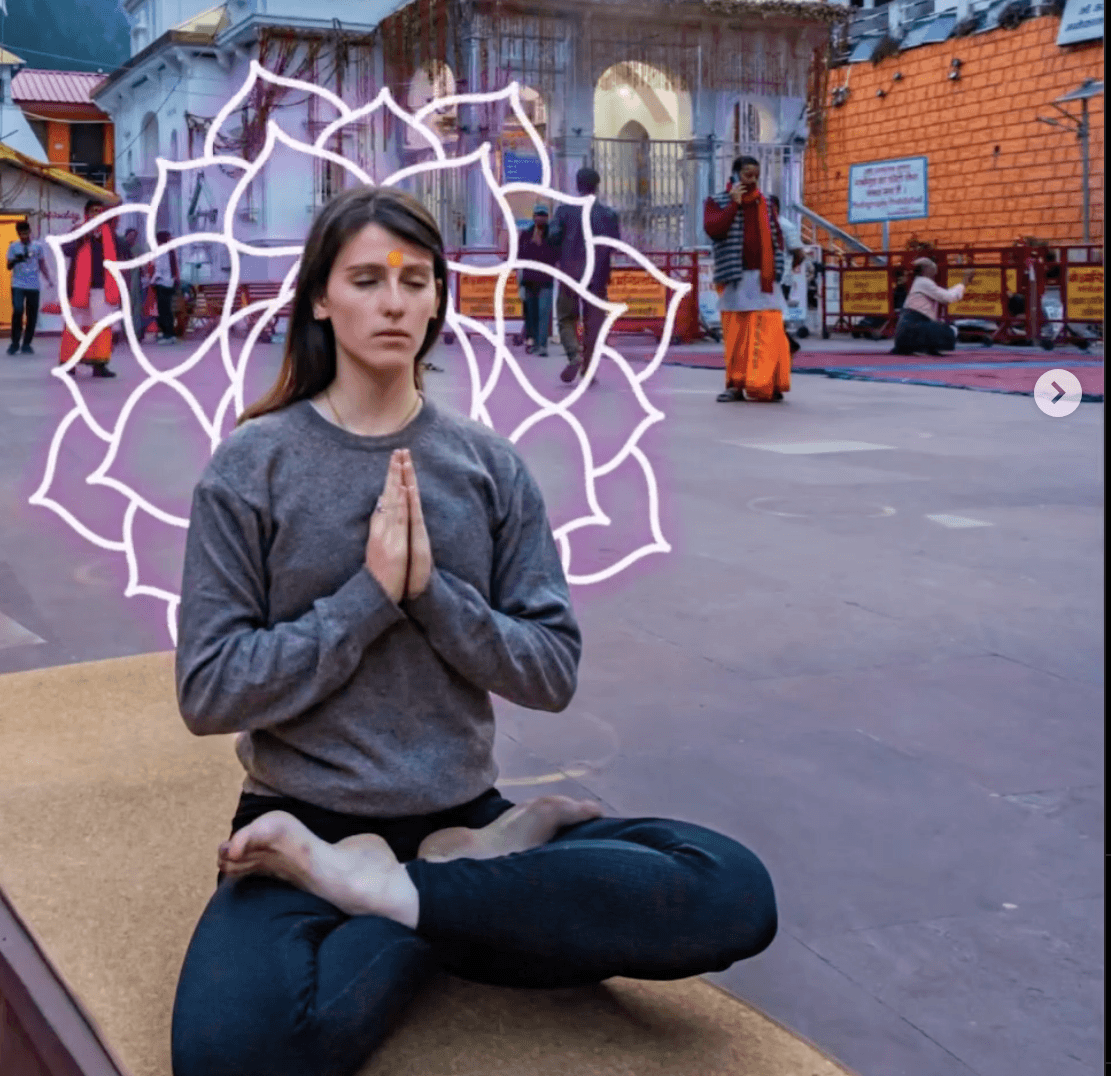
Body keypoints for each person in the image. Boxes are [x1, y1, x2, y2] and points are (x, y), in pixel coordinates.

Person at [169, 185, 778, 1076]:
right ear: (318, 299)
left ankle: (403, 890)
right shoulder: (251, 467)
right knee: (231, 1059)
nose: (393, 301)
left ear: (438, 299)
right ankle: (441, 899)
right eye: (367, 278)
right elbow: (209, 689)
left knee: (730, 888)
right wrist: (369, 598)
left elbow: (551, 670)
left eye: (415, 280)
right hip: (300, 827)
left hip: (463, 815)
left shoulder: (488, 465)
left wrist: (435, 595)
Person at [703, 157, 788, 403]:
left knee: (770, 332)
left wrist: (778, 269)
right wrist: (733, 205)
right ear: (736, 175)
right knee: (737, 337)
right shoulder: (717, 201)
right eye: (747, 176)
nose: (752, 181)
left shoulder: (767, 202)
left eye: (756, 176)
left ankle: (767, 384)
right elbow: (714, 230)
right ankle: (735, 385)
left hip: (765, 278)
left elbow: (777, 238)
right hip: (735, 277)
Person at [548, 167, 620, 384]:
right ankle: (589, 369)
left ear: (578, 186)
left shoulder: (564, 212)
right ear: (597, 186)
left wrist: (560, 255)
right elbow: (615, 245)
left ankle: (573, 355)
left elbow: (553, 237)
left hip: (570, 273)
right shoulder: (609, 215)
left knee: (566, 318)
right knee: (594, 324)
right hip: (597, 277)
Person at [59, 200, 120, 378]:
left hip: (102, 288)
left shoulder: (110, 234)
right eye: (93, 211)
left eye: (99, 211)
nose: (96, 214)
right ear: (86, 213)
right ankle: (68, 364)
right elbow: (65, 249)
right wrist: (81, 238)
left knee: (101, 327)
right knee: (75, 326)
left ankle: (99, 365)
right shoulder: (78, 230)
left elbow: (122, 255)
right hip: (79, 288)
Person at [891, 258, 973, 356]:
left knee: (938, 326)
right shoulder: (923, 281)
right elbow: (947, 297)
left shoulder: (918, 282)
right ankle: (923, 347)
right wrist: (964, 283)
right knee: (951, 330)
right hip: (913, 329)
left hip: (905, 333)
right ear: (926, 269)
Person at [517, 204, 558, 357]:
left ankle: (542, 346)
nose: (540, 218)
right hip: (529, 281)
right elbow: (521, 255)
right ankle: (533, 342)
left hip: (546, 281)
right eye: (538, 215)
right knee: (531, 314)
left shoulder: (552, 235)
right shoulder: (526, 234)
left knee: (543, 313)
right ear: (533, 217)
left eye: (543, 215)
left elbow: (554, 256)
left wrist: (541, 245)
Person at [6, 220, 52, 355]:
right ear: (18, 234)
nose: (24, 236)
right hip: (18, 284)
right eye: (21, 234)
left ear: (30, 232)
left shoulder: (38, 247)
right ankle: (14, 343)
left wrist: (48, 279)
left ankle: (27, 343)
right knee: (18, 310)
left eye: (26, 233)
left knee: (32, 314)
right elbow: (8, 266)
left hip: (33, 284)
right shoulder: (13, 247)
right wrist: (16, 260)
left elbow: (42, 264)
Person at [770, 195, 806, 356]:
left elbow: (800, 253)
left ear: (776, 208)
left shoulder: (785, 226)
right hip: (764, 277)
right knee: (769, 314)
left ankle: (787, 344)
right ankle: (785, 344)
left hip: (781, 278)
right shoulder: (761, 226)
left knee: (774, 313)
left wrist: (790, 269)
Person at [122, 226, 155, 342]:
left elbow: (143, 265)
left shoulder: (138, 249)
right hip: (123, 279)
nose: (132, 238)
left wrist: (146, 276)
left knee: (137, 307)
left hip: (135, 281)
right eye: (130, 235)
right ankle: (125, 333)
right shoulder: (122, 247)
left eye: (134, 236)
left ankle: (136, 333)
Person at [151, 230, 180, 345]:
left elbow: (159, 270)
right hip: (171, 283)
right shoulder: (172, 251)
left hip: (162, 284)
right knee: (168, 310)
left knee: (163, 311)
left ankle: (167, 334)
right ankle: (170, 334)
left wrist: (152, 281)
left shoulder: (161, 251)